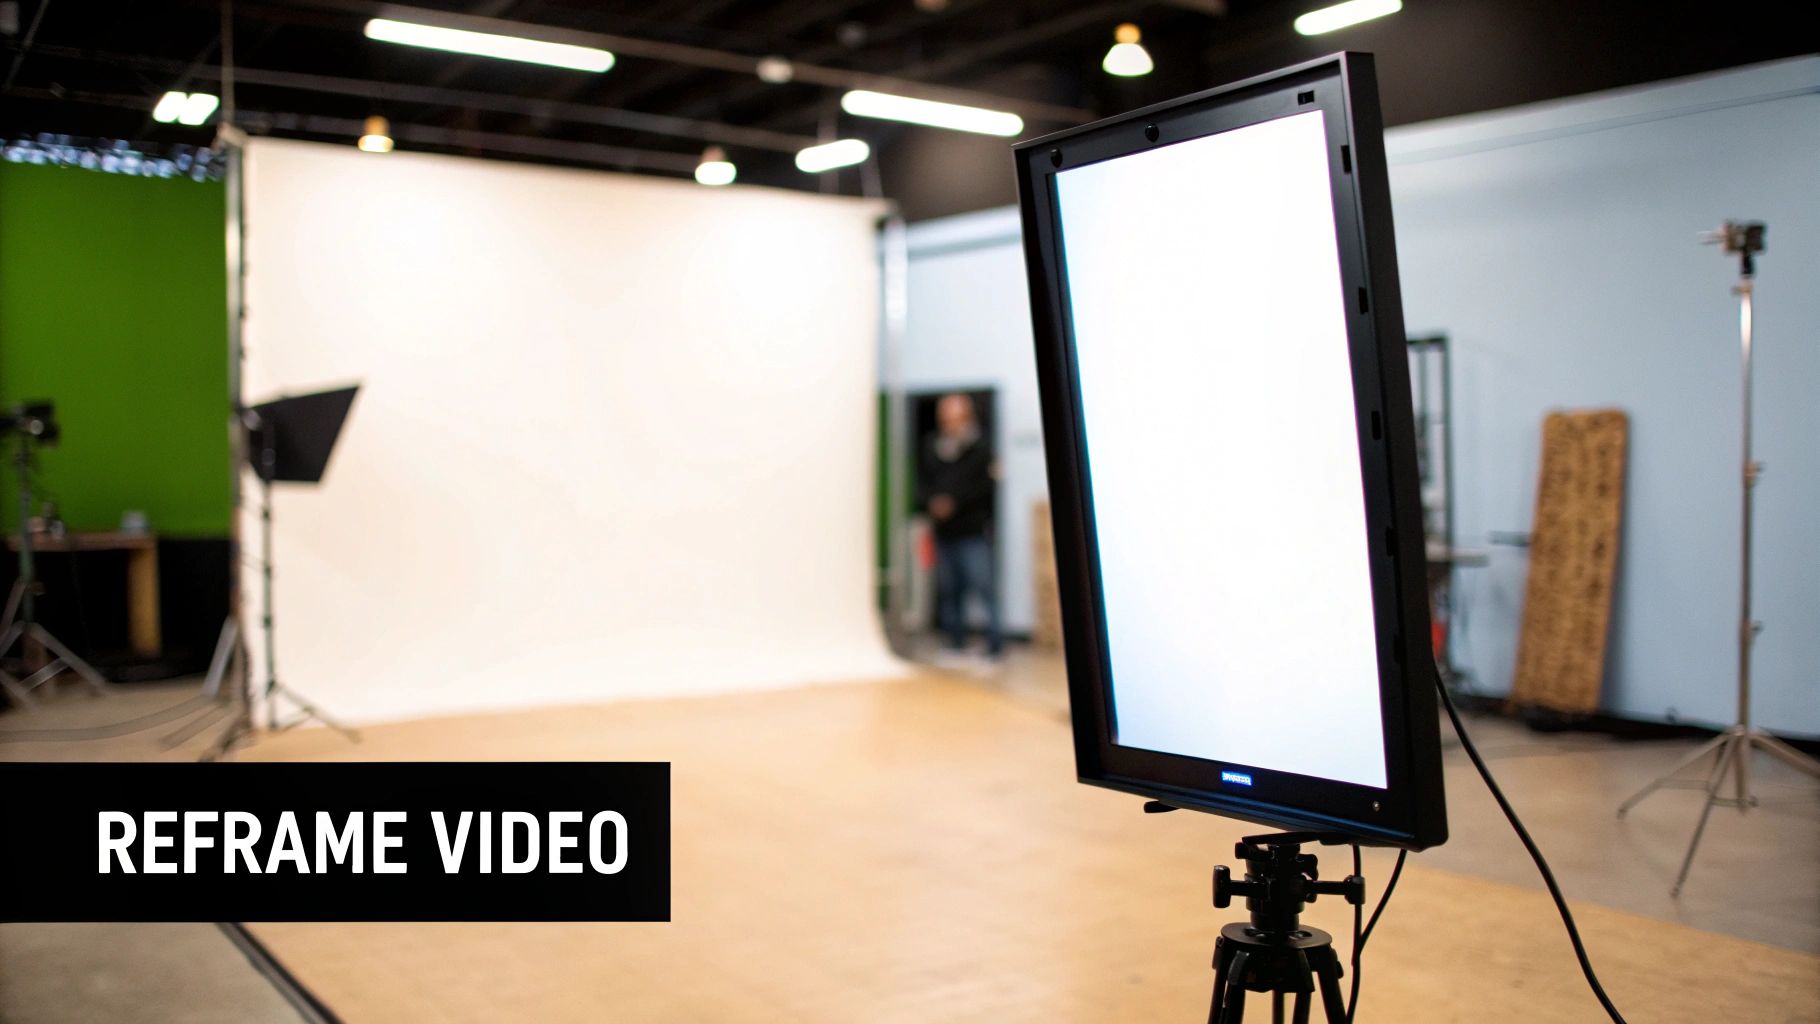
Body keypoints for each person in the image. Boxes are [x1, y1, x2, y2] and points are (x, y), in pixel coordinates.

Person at [919, 393, 1002, 661]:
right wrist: (932, 503)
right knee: (949, 590)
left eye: (955, 417)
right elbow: (924, 482)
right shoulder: (932, 446)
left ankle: (993, 647)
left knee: (983, 587)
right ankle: (955, 644)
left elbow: (985, 487)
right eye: (946, 417)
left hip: (973, 531)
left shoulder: (981, 447)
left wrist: (955, 502)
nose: (950, 422)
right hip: (944, 532)